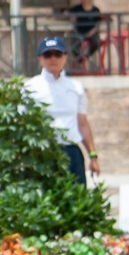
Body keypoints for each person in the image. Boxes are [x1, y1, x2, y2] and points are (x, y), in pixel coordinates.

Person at [25, 36, 100, 185]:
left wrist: (93, 156)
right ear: (40, 58)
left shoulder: (75, 87)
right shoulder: (30, 87)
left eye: (57, 54)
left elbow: (82, 123)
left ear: (65, 57)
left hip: (71, 151)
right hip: (43, 152)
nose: (53, 59)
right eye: (48, 55)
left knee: (76, 200)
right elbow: (23, 122)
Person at [67, 0, 104, 68]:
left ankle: (86, 56)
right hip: (79, 32)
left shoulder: (95, 10)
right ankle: (80, 60)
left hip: (92, 32)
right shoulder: (77, 8)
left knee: (96, 43)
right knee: (74, 45)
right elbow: (67, 13)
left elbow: (98, 24)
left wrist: (92, 32)